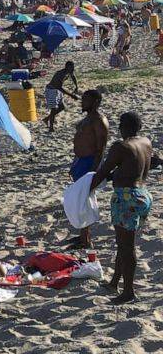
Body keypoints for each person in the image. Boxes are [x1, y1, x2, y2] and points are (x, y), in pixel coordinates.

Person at [89, 111, 153, 304]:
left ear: (121, 127)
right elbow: (141, 165)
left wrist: (84, 191)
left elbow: (102, 171)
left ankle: (128, 292)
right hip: (143, 196)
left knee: (126, 246)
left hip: (127, 198)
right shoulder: (146, 142)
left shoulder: (120, 146)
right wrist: (118, 174)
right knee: (123, 242)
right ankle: (114, 282)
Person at [68, 89, 109, 248]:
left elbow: (101, 148)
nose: (82, 102)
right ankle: (82, 235)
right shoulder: (88, 119)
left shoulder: (99, 120)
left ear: (96, 102)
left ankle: (85, 239)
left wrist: (93, 171)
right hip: (80, 161)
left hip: (89, 163)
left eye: (86, 100)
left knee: (84, 200)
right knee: (80, 200)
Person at [42, 61, 79, 132]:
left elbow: (73, 76)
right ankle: (51, 128)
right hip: (51, 90)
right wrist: (71, 95)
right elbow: (59, 87)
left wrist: (76, 86)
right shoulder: (60, 74)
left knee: (62, 107)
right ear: (67, 67)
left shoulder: (69, 72)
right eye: (72, 67)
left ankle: (47, 119)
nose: (73, 69)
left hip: (57, 90)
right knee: (53, 109)